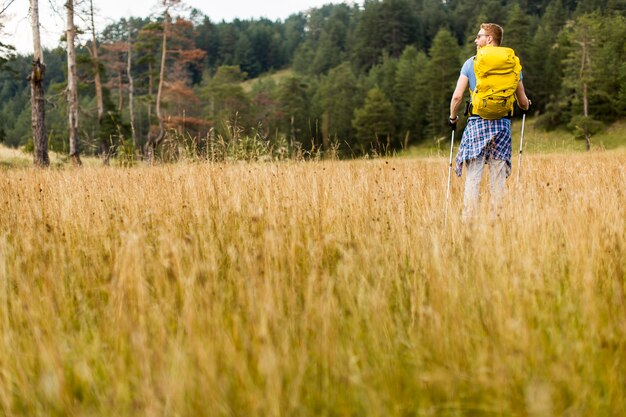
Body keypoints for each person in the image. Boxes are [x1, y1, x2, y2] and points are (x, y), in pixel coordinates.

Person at [449, 23, 531, 222]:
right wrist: (527, 105)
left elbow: (457, 97)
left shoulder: (471, 63)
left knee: (473, 179)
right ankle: (498, 223)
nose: (476, 41)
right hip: (502, 126)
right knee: (497, 180)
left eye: (479, 36)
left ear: (490, 39)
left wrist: (453, 118)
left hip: (477, 124)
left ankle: (469, 223)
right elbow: (522, 102)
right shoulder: (513, 64)